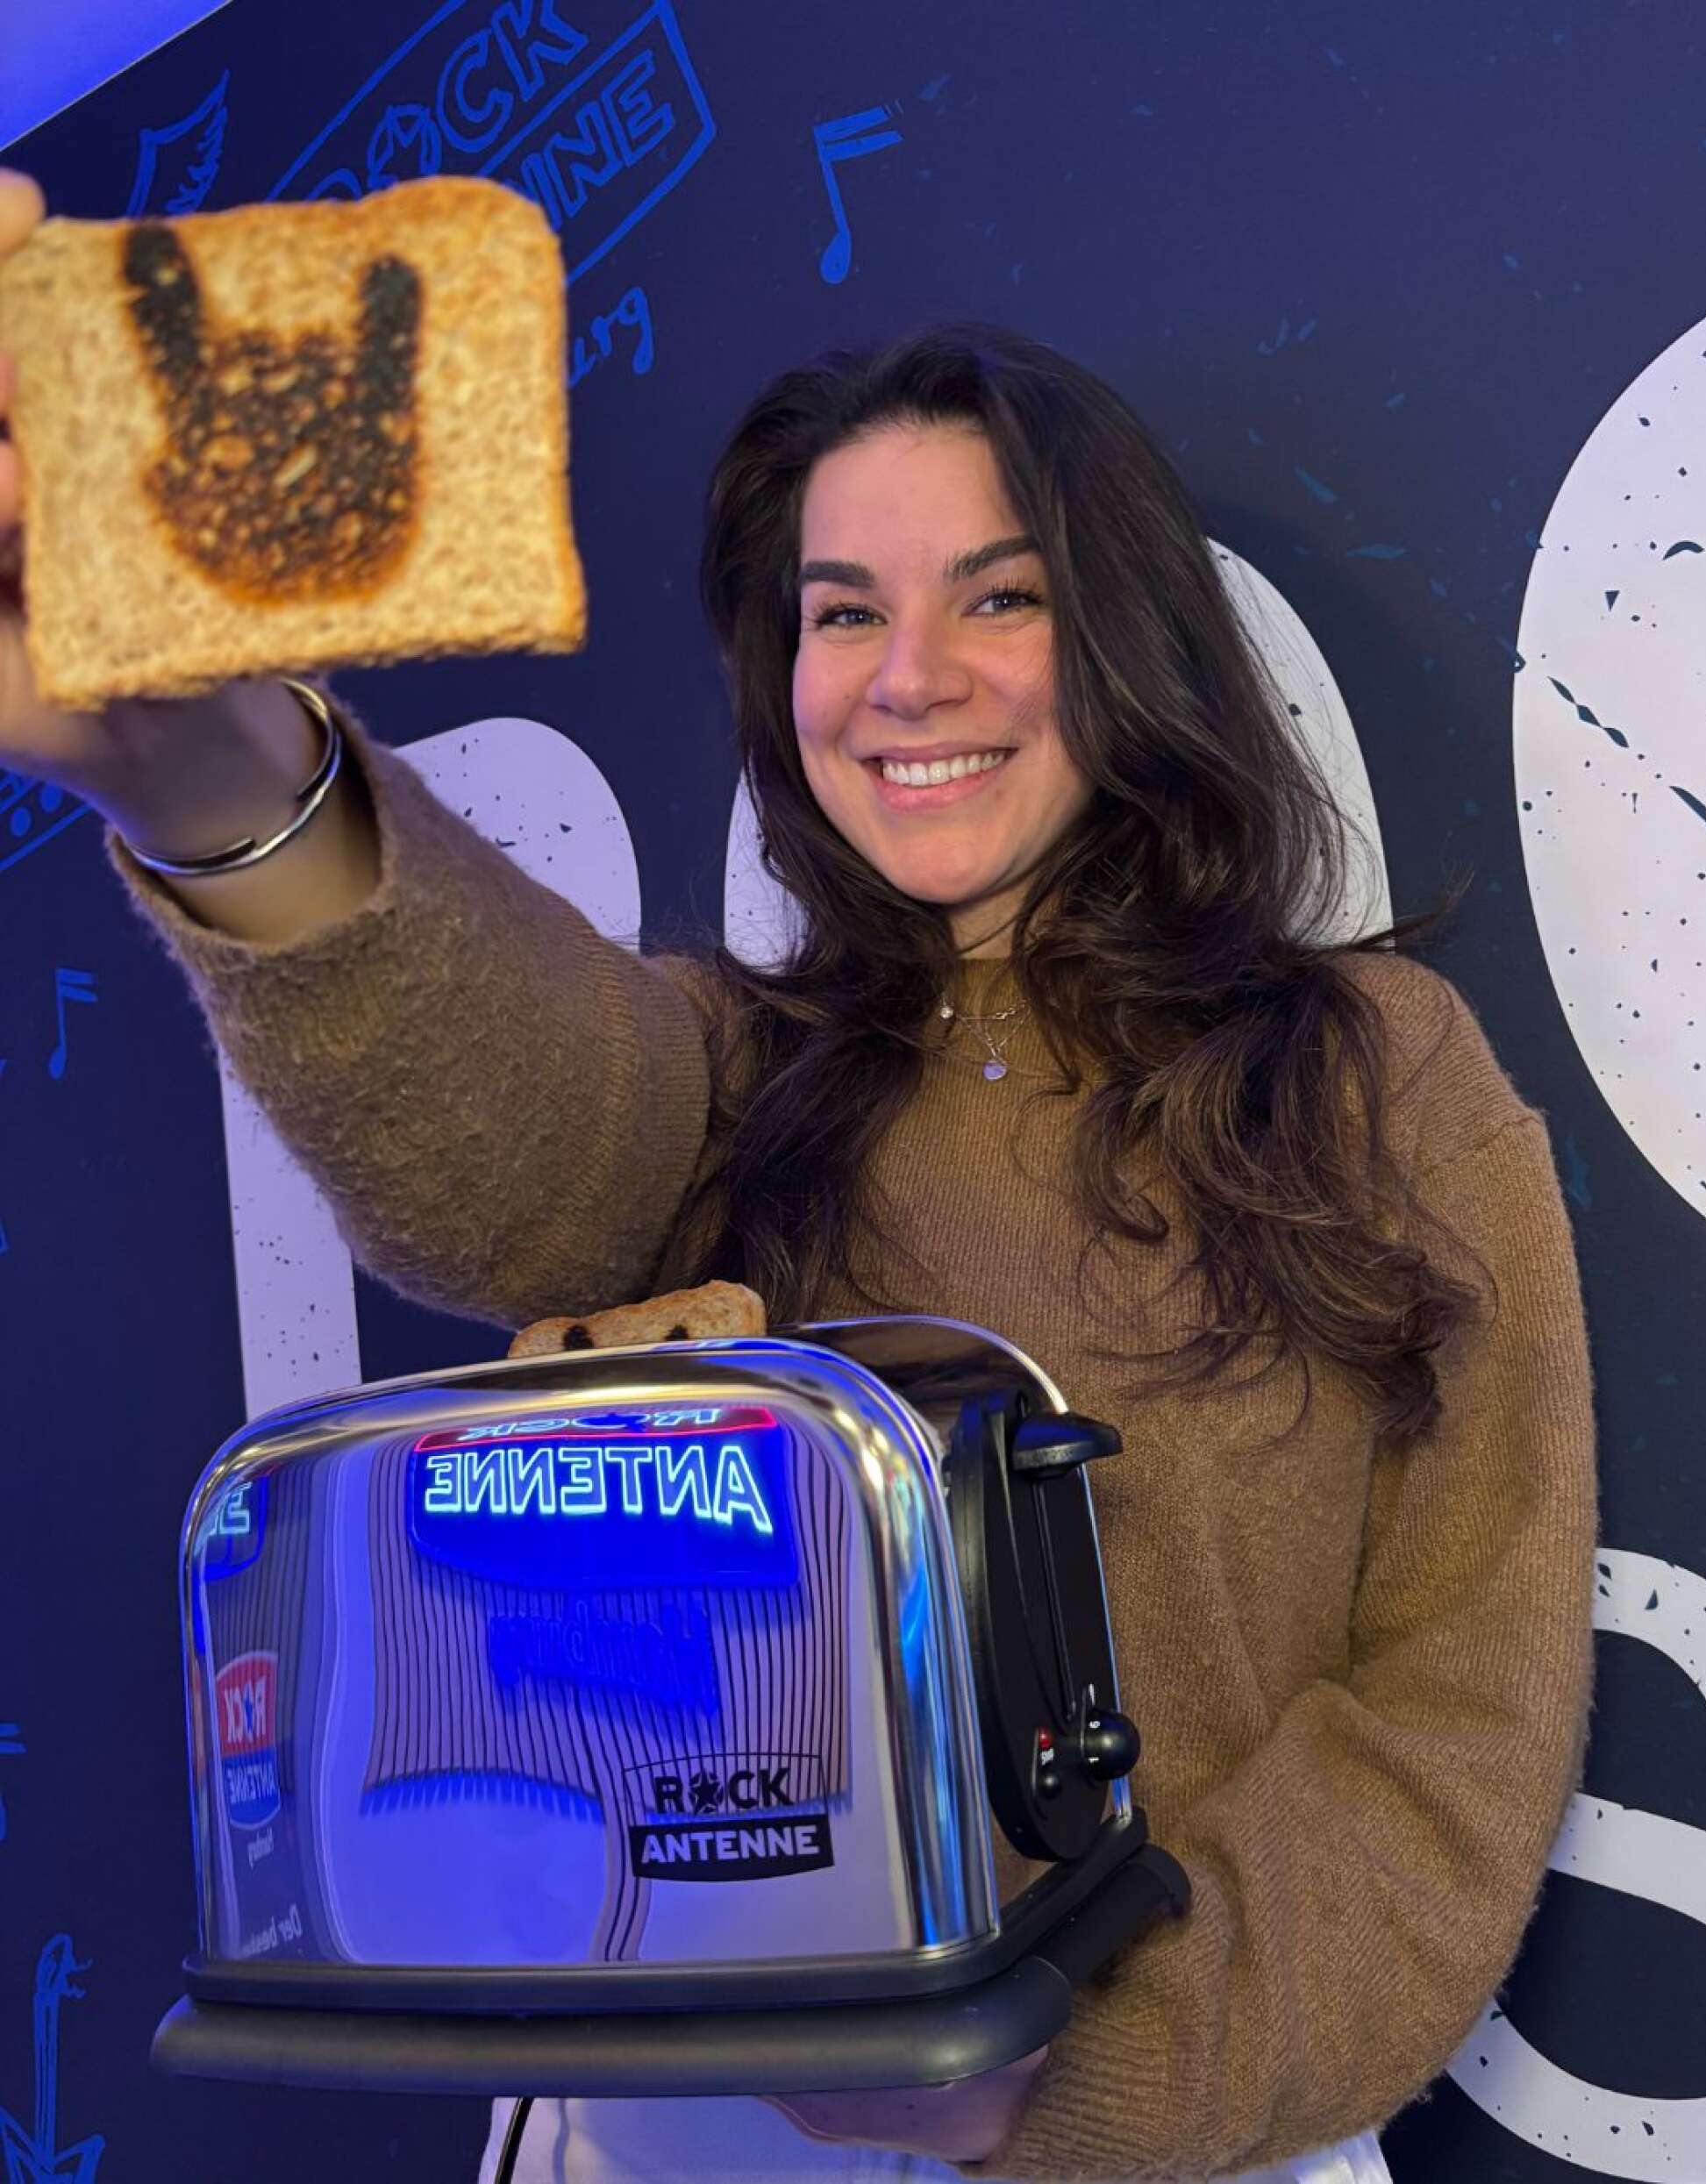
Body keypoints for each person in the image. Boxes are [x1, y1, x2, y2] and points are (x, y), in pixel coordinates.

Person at [0, 168, 1595, 2184]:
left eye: (998, 596)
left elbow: (1457, 1713)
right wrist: (214, 768)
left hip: (1190, 2143)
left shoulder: (1376, 1074)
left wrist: (1059, 2077)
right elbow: (499, 1147)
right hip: (685, 2140)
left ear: (1125, 636)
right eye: (844, 611)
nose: (906, 677)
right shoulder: (722, 1070)